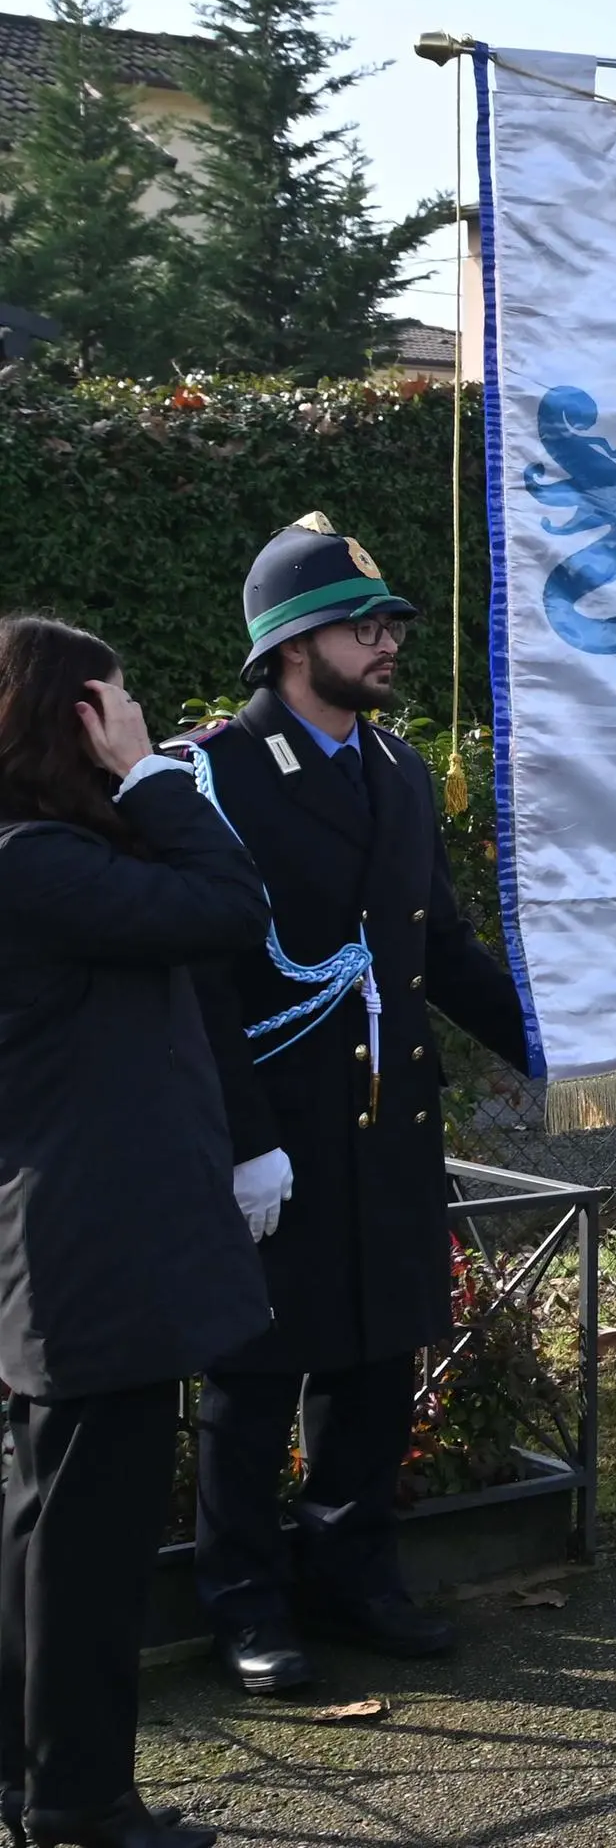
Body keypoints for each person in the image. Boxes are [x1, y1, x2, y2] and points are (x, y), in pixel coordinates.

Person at [184, 518, 532, 1699]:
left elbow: (442, 949)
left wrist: (557, 1049)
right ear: (291, 647)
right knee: (253, 1378)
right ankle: (244, 1601)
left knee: (378, 1358)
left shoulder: (394, 769)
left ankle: (350, 1571)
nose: (388, 642)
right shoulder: (217, 777)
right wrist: (244, 1142)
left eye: (391, 625)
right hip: (277, 1127)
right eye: (361, 626)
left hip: (390, 1118)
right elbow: (202, 986)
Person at [0, 619, 270, 1848]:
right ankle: (81, 1800)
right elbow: (228, 906)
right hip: (97, 1250)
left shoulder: (43, 859)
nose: (137, 719)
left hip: (75, 1247)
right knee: (88, 1543)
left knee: (47, 1519)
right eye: (118, 702)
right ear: (78, 720)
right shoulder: (36, 864)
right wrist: (154, 773)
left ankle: (33, 1779)